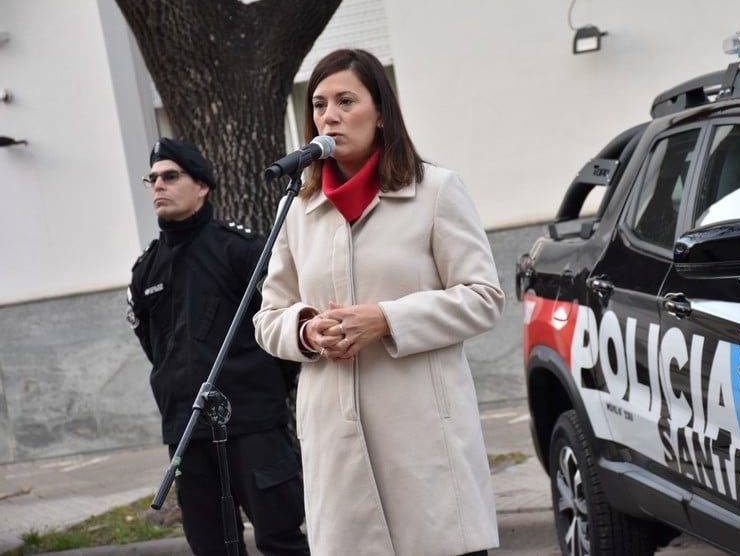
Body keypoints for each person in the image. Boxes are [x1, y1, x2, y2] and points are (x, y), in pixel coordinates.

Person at [253, 48, 505, 556]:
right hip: (335, 444)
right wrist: (305, 330)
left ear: (382, 112)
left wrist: (386, 320)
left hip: (422, 443)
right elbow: (268, 316)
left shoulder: (435, 191)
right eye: (319, 104)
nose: (330, 115)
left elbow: (484, 298)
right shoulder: (297, 210)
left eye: (346, 100)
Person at [126, 137, 310, 556]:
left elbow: (280, 327)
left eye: (170, 177)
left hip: (252, 425)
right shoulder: (146, 269)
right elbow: (155, 348)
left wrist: (259, 392)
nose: (158, 186)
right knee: (212, 548)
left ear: (202, 186)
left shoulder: (241, 249)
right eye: (151, 179)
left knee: (281, 540)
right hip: (187, 433)